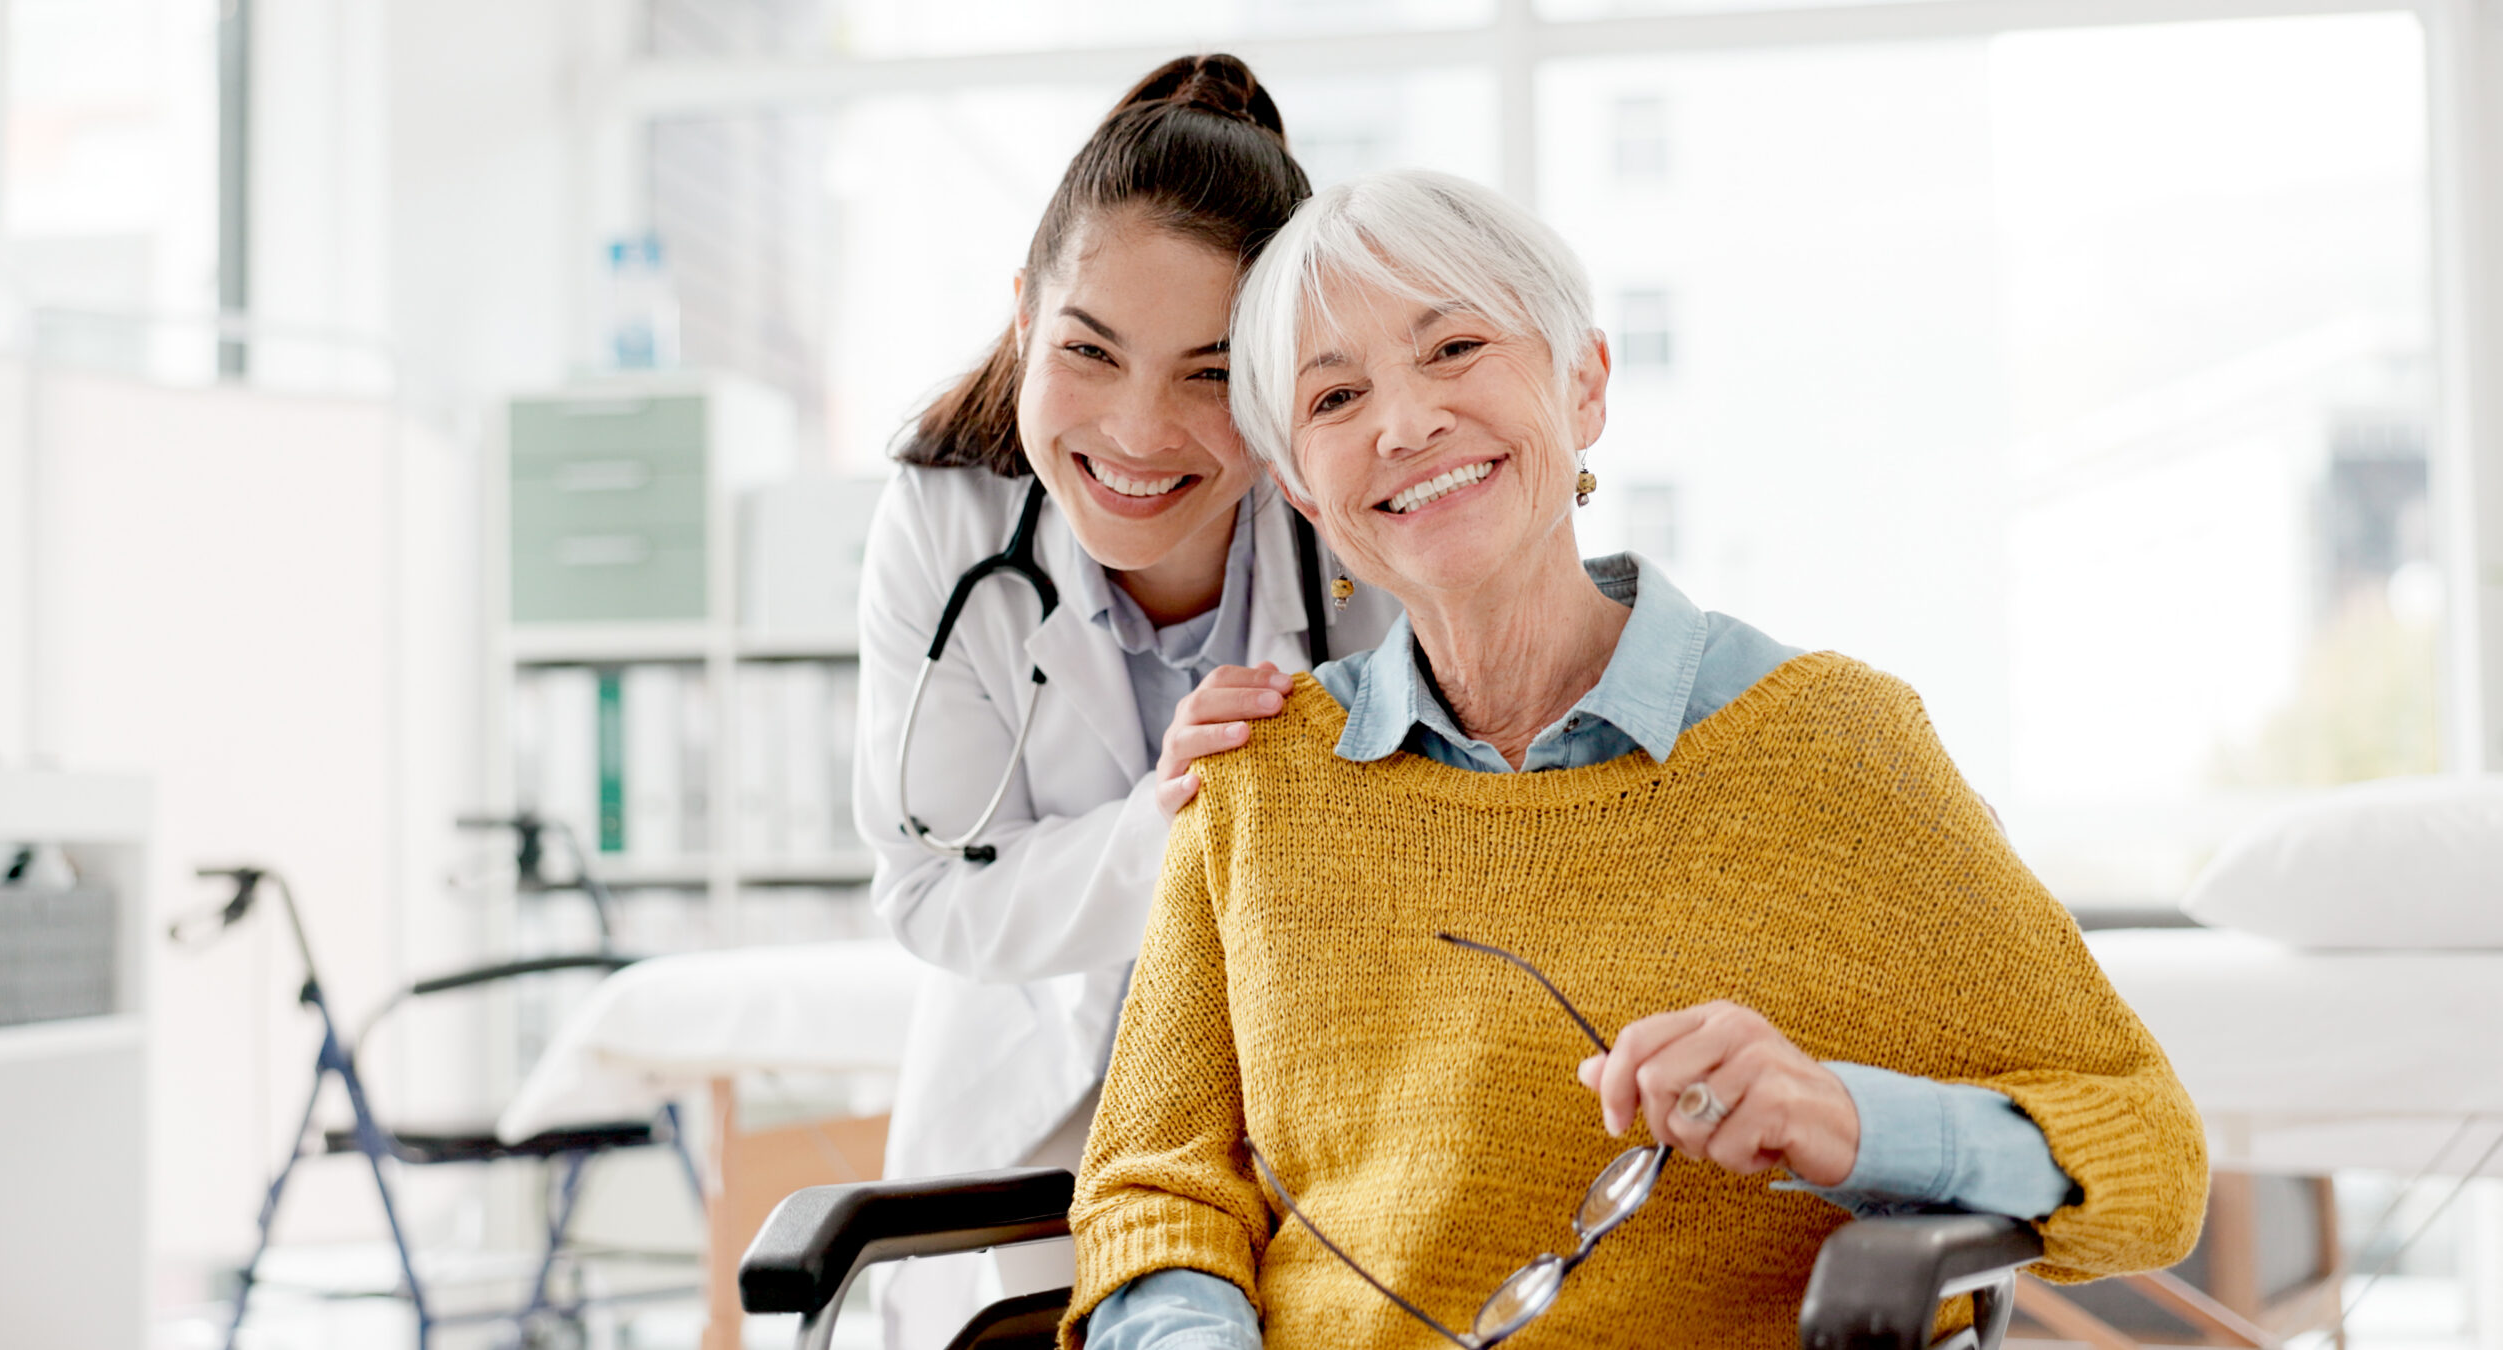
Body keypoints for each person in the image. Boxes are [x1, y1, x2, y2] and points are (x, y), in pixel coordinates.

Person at [1063, 169, 2206, 1349]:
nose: (1403, 425)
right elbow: (1156, 1187)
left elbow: (2152, 1157)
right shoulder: (1259, 777)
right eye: (1336, 396)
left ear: (1584, 385)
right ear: (1302, 487)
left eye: (1454, 347)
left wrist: (1850, 1123)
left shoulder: (1834, 748)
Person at [851, 55, 1401, 1346]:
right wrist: (1179, 818)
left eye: (1212, 374)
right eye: (1090, 351)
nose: (1140, 432)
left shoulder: (1360, 527)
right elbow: (932, 888)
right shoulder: (946, 516)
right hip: (1018, 1131)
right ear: (1026, 318)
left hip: (1310, 1129)